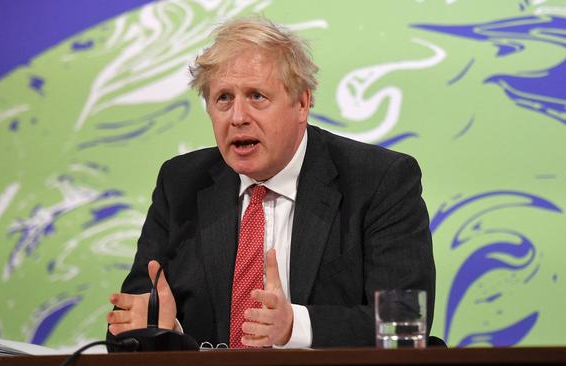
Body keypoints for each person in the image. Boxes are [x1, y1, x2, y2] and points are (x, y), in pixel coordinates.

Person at [106, 17, 435, 349]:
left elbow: (403, 325)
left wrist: (295, 326)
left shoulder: (379, 181)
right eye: (223, 98)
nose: (237, 117)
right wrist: (163, 331)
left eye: (256, 96)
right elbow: (124, 327)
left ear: (302, 103)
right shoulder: (181, 185)